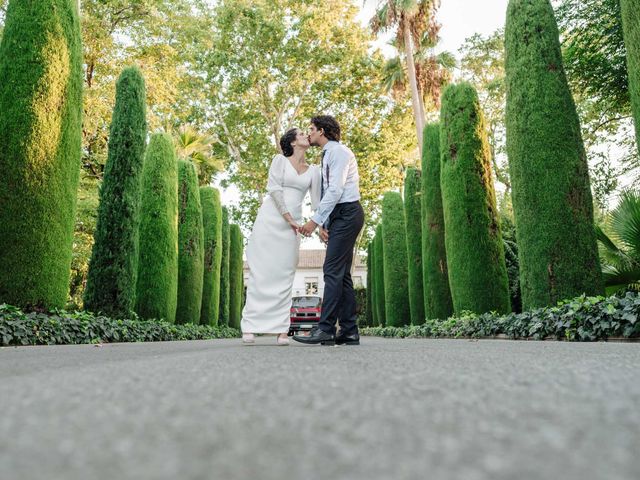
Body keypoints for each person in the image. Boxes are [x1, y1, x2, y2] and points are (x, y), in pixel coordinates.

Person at [240, 128, 321, 345]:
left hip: (292, 228)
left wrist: (320, 226)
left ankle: (281, 330)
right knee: (261, 272)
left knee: (285, 274)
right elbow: (274, 189)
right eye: (302, 133)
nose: (307, 135)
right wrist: (288, 217)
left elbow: (316, 203)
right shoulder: (279, 161)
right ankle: (250, 326)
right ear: (293, 142)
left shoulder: (314, 170)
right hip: (271, 220)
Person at [295, 115, 364, 346]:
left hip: (348, 212)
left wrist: (314, 222)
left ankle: (325, 329)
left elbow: (335, 190)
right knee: (342, 274)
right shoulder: (328, 155)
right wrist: (325, 223)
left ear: (322, 131)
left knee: (331, 270)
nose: (309, 133)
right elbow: (329, 192)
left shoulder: (339, 153)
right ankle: (349, 331)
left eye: (312, 129)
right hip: (338, 216)